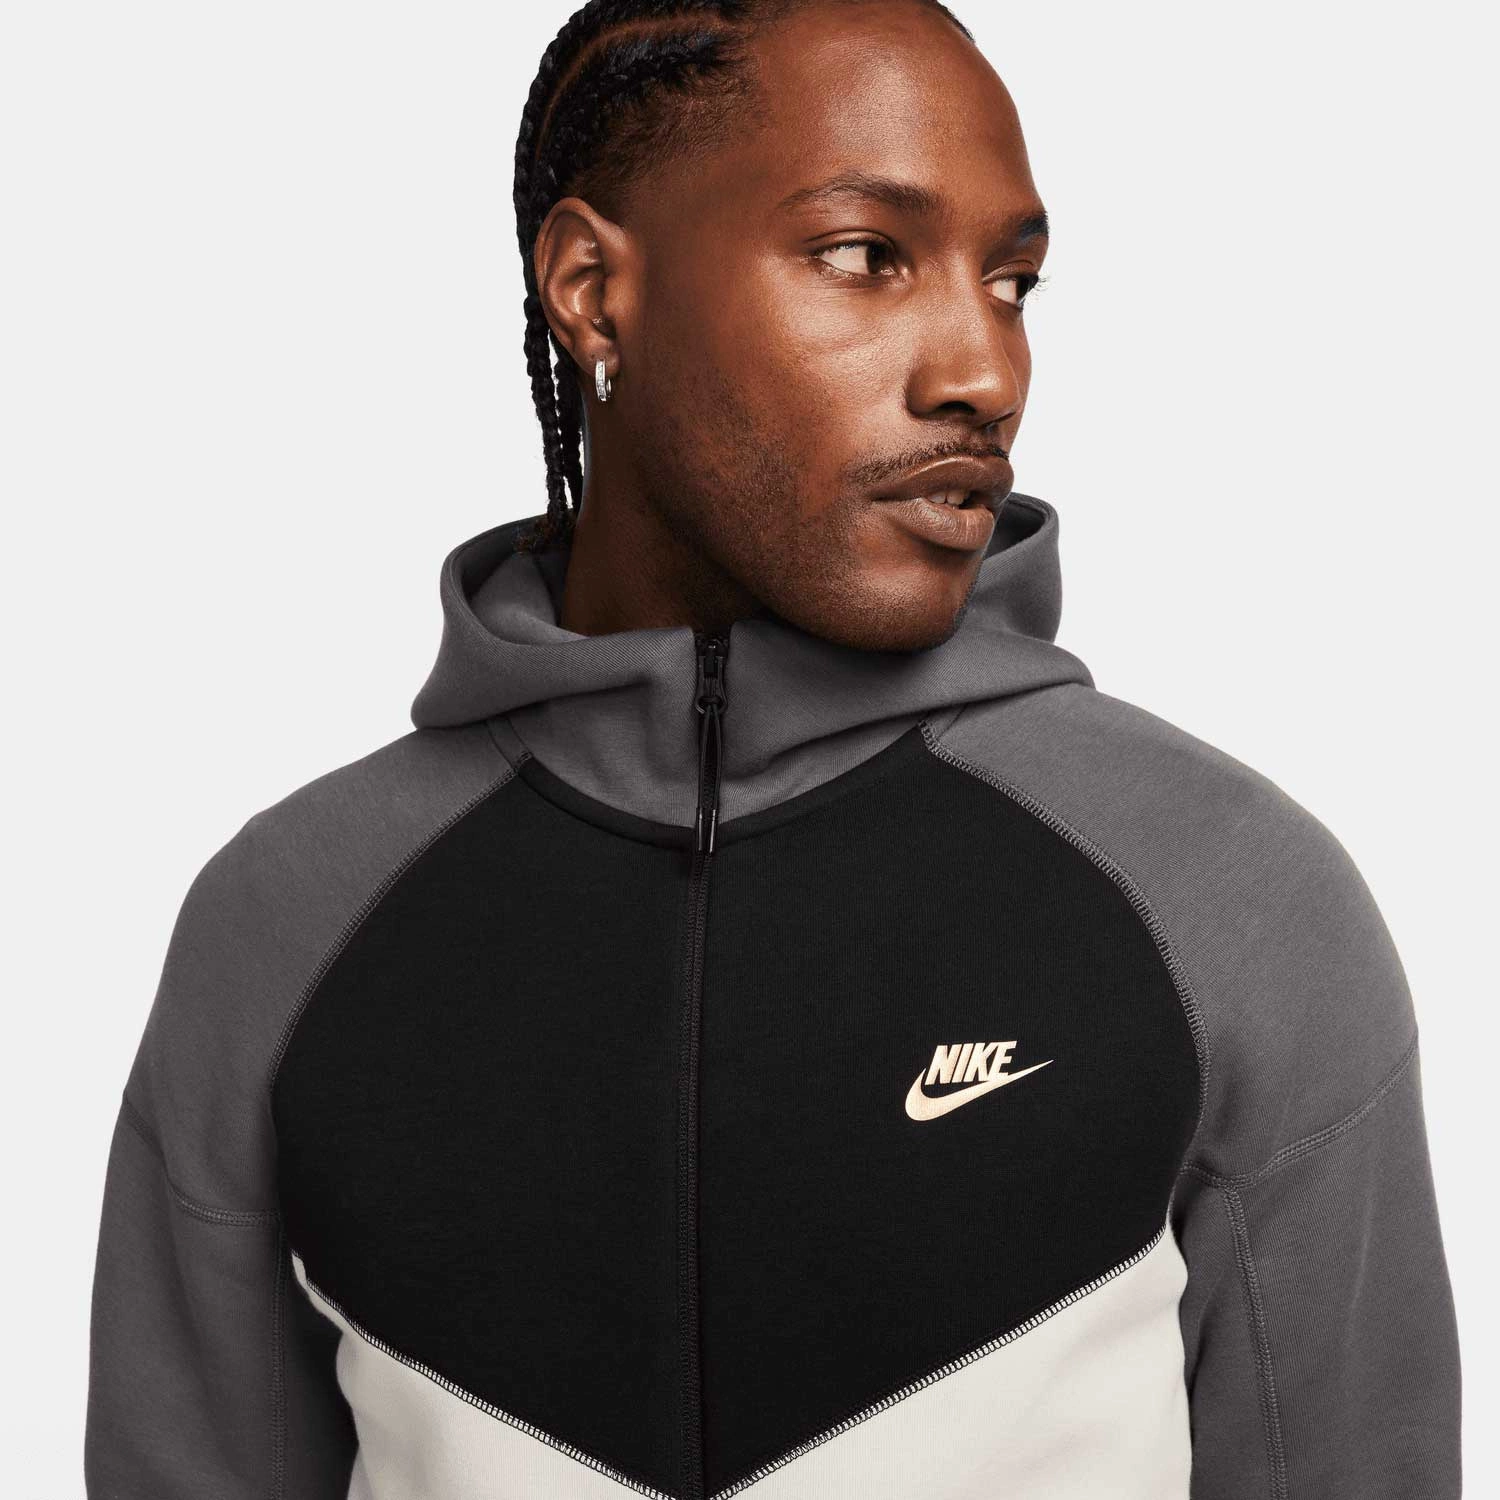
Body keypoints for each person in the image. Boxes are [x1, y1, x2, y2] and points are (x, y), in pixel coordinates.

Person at [84, 1, 1462, 1496]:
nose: (984, 372)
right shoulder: (290, 925)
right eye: (866, 257)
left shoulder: (1228, 901)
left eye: (1011, 283)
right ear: (593, 291)